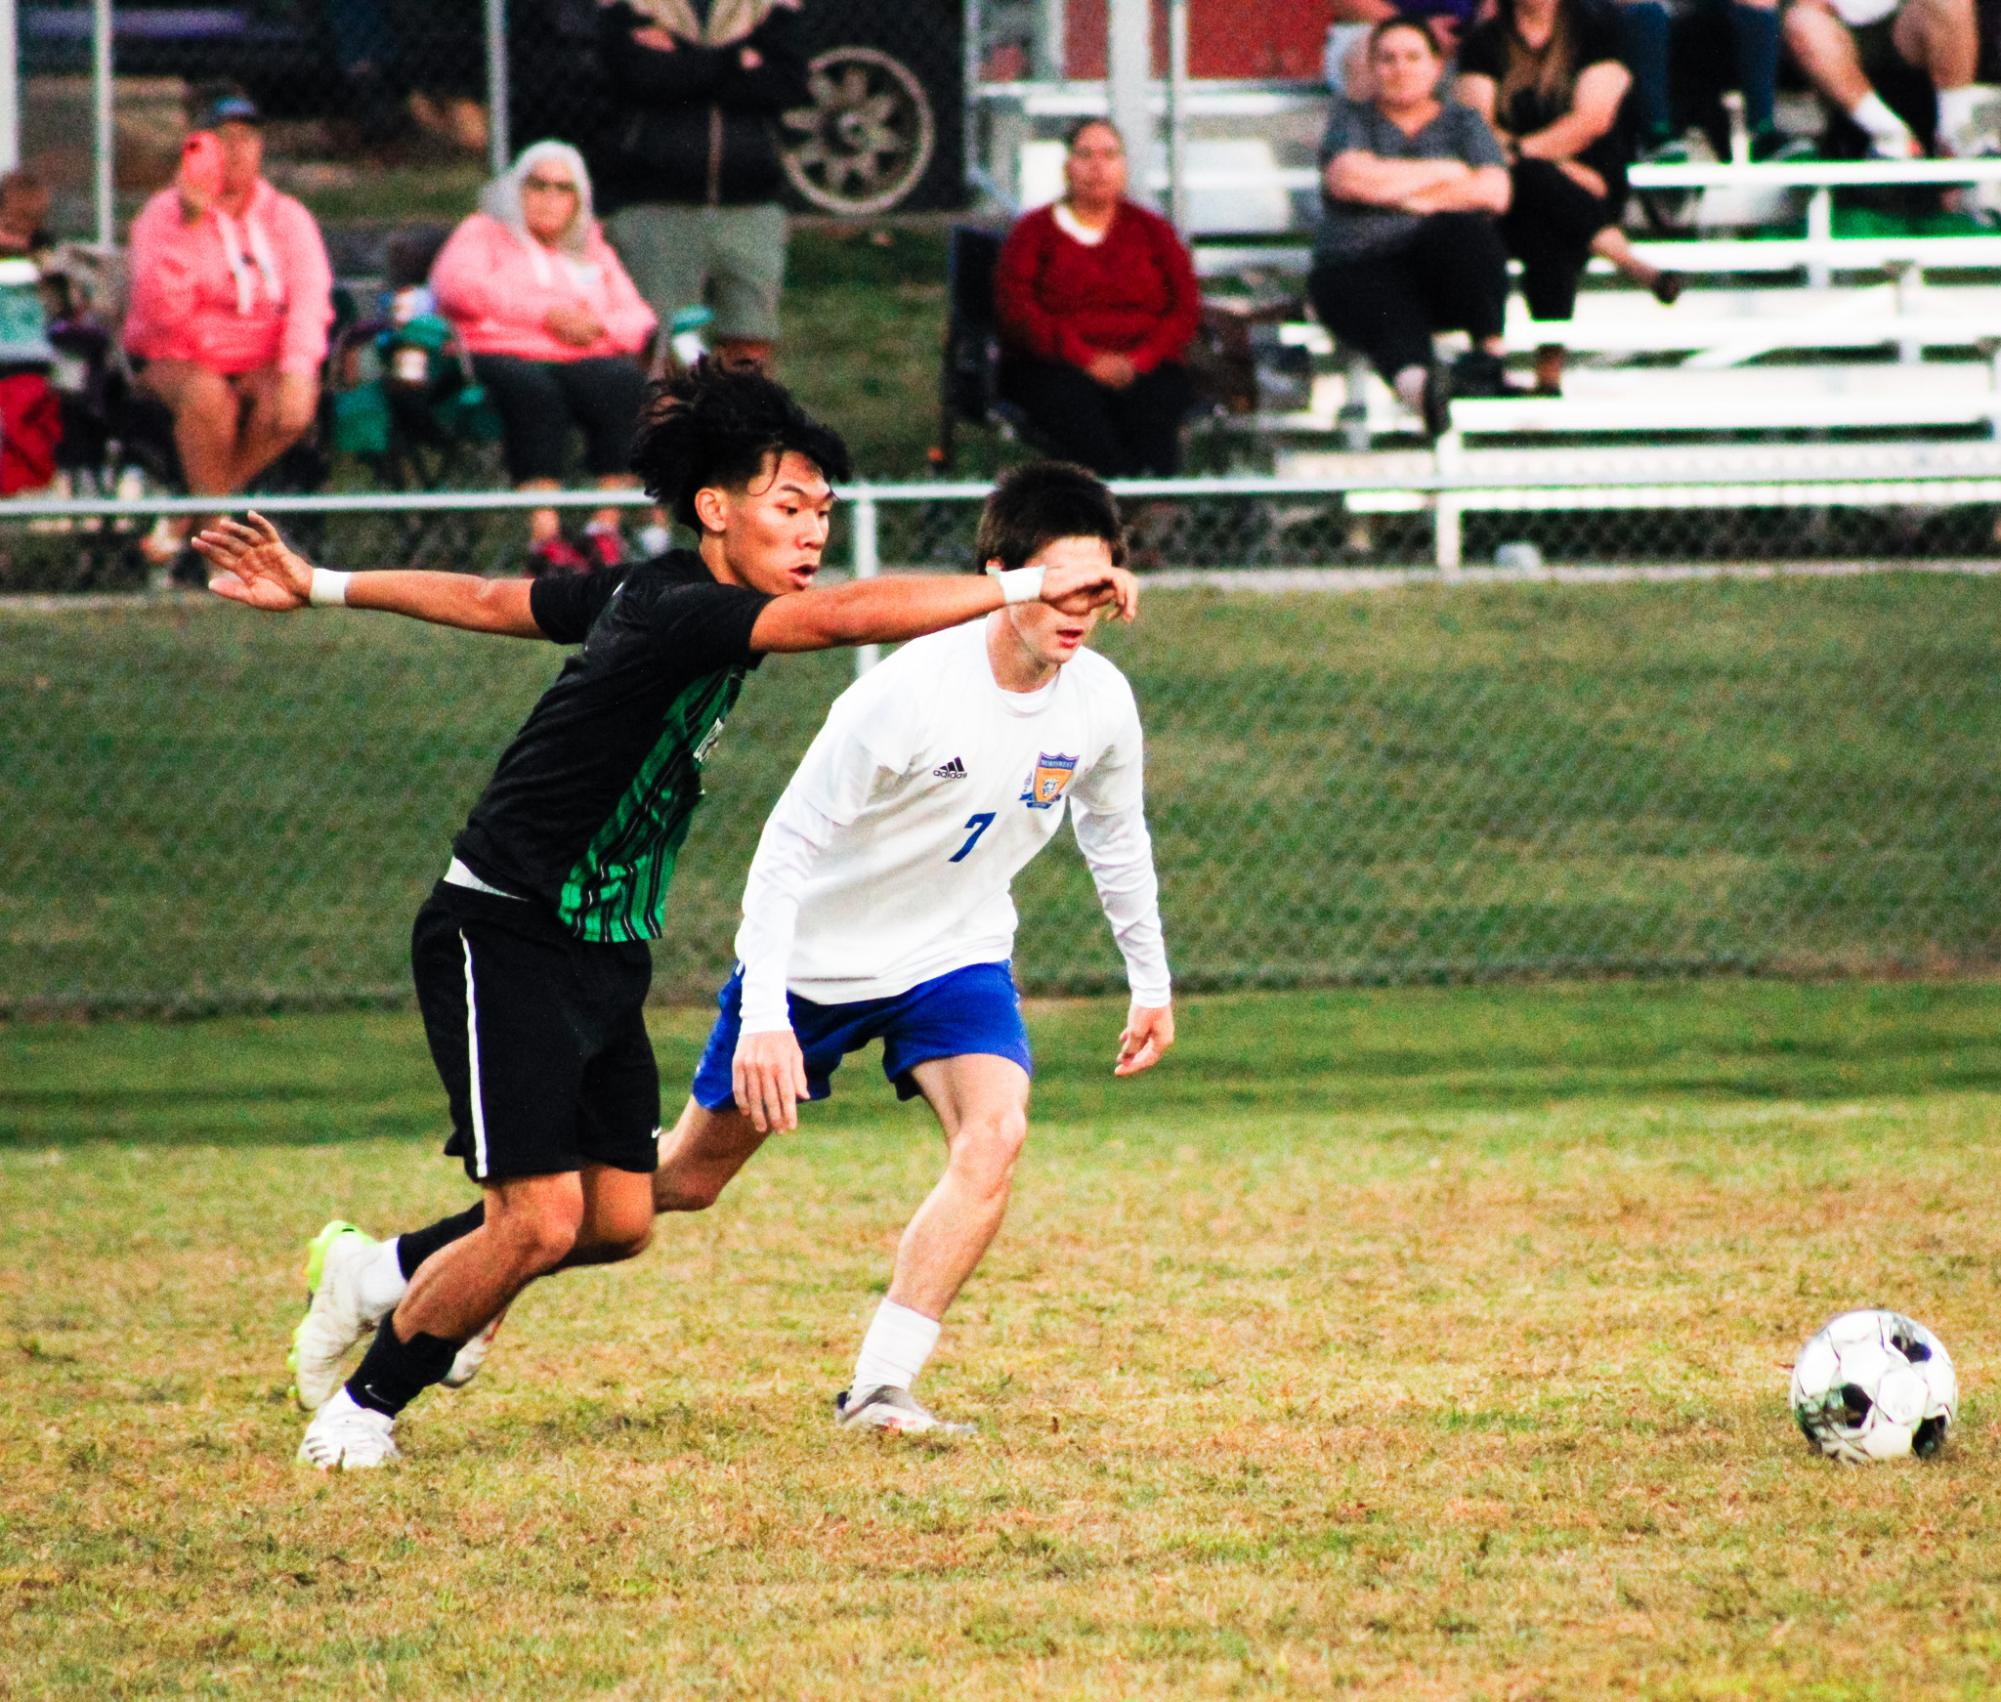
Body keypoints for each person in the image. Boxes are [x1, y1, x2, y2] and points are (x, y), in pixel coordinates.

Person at [189, 365, 1142, 1471]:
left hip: (602, 943)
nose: (813, 531)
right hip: (503, 926)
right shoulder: (692, 611)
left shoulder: (645, 591)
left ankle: (374, 1272)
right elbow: (842, 616)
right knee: (538, 1220)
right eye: (791, 506)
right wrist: (1029, 583)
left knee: (623, 1217)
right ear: (715, 509)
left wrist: (326, 583)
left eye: (825, 512)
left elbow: (499, 602)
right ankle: (361, 1408)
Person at [121, 88, 333, 578]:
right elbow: (159, 314)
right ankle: (220, 552)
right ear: (199, 146)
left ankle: (181, 524)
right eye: (223, 138)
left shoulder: (287, 216)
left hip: (257, 355)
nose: (237, 150)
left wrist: (299, 369)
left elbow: (309, 296)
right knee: (208, 398)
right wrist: (190, 226)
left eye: (248, 137)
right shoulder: (163, 214)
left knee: (290, 404)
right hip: (175, 353)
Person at [430, 141, 658, 573]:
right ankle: (545, 539)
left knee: (624, 384)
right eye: (539, 185)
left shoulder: (590, 247)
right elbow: (457, 287)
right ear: (517, 188)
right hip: (496, 352)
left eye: (563, 188)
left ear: (579, 198)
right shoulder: (483, 232)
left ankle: (602, 531)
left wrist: (597, 327)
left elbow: (638, 317)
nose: (551, 198)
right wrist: (545, 315)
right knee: (534, 392)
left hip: (579, 354)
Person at [1308, 18, 1514, 437]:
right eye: (1387, 58)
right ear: (1371, 67)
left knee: (1467, 233)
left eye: (1412, 57)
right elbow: (1347, 178)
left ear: (1437, 67)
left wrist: (1395, 190)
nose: (1399, 68)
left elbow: (1494, 191)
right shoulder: (1352, 118)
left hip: (1437, 272)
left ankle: (1489, 355)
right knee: (1383, 306)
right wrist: (1447, 171)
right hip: (1357, 262)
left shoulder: (1463, 122)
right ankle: (1424, 394)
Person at [590, 0, 810, 373]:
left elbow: (786, 85)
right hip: (656, 202)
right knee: (662, 344)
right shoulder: (630, 7)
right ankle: (667, 430)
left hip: (750, 203)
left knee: (749, 340)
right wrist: (736, 60)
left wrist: (685, 61)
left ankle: (739, 430)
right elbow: (641, 77)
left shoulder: (773, 8)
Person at [1457, 0, 1651, 395]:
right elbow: (1477, 125)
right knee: (1545, 220)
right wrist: (1549, 165)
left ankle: (1535, 369)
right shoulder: (1484, 43)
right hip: (1522, 187)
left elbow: (1591, 121)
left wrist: (1523, 154)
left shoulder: (1596, 32)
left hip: (1587, 179)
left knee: (1545, 211)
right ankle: (1625, 262)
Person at [992, 119, 1203, 478]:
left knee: (1154, 401)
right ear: (1066, 167)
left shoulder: (1153, 231)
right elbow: (1018, 310)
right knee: (1073, 407)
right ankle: (1113, 504)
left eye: (1109, 155)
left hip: (1143, 361)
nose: (1097, 167)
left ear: (1124, 167)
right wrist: (1086, 358)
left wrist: (1141, 359)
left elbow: (1184, 308)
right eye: (1085, 155)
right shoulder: (1033, 233)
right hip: (1056, 363)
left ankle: (1156, 510)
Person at [1615, 0, 1812, 164]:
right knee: (1646, 11)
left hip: (1711, 27)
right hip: (1644, 26)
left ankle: (1762, 133)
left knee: (1757, 7)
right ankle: (1656, 135)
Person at [1783, 0, 1982, 159]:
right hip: (1838, 31)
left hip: (1904, 26)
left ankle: (1955, 134)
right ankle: (1892, 136)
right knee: (1803, 22)